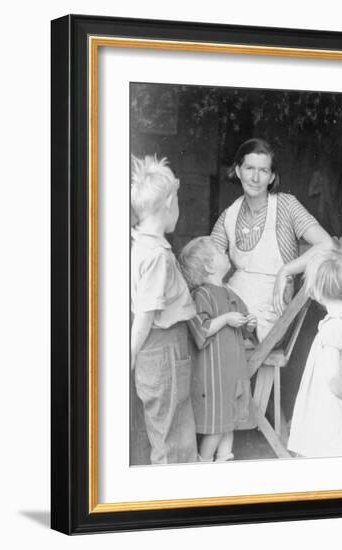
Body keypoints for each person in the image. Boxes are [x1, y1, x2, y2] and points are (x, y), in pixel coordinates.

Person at [211, 138, 334, 341]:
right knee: (205, 324)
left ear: (272, 177)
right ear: (238, 170)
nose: (255, 178)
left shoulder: (286, 205)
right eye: (250, 168)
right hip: (236, 305)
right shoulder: (229, 215)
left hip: (270, 313)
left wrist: (286, 270)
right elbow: (206, 260)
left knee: (215, 334)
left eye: (263, 171)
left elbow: (327, 245)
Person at [130, 154, 197, 464]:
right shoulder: (158, 256)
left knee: (168, 430)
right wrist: (129, 355)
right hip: (164, 350)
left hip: (162, 351)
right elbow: (144, 314)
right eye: (179, 203)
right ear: (170, 203)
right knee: (172, 439)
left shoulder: (141, 246)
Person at [179, 237, 257, 462]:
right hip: (214, 374)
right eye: (220, 252)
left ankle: (224, 461)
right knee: (216, 425)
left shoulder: (230, 292)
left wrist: (249, 323)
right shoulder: (201, 295)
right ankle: (203, 464)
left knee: (228, 421)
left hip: (230, 371)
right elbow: (200, 330)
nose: (226, 253)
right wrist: (225, 319)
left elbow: (244, 322)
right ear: (209, 266)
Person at [287, 248, 342, 458]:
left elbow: (332, 375)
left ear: (315, 292)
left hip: (331, 402)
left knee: (320, 448)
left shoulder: (332, 329)